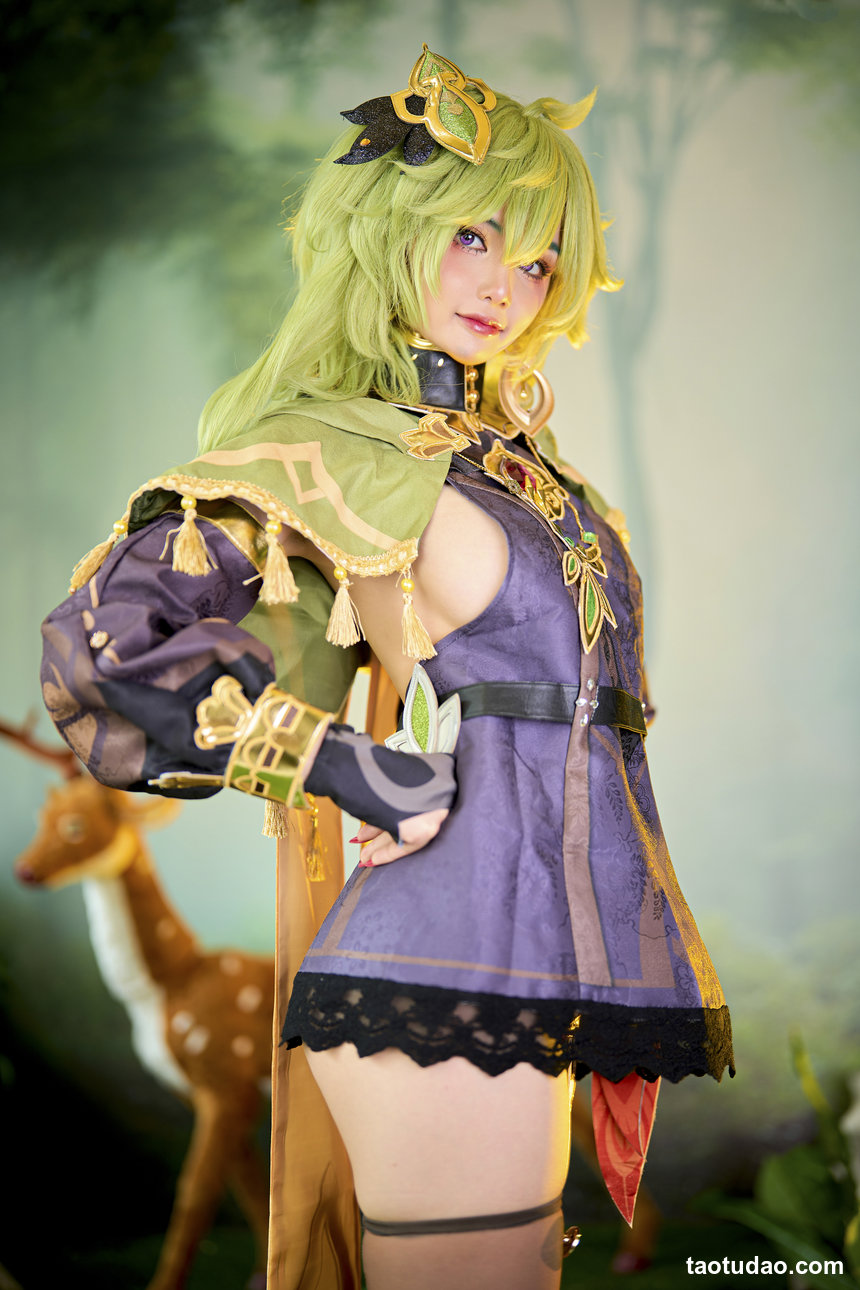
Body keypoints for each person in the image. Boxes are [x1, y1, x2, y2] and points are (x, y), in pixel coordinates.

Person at [41, 47, 733, 1290]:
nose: (508, 285)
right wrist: (355, 771)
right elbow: (113, 644)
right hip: (433, 957)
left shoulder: (516, 468)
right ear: (387, 227)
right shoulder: (324, 452)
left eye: (539, 260)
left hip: (530, 945)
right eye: (474, 235)